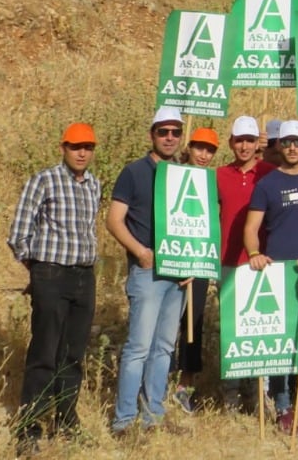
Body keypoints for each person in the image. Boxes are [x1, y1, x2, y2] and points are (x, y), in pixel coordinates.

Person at [8, 122, 101, 448]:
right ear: (63, 147)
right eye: (76, 146)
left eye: (87, 147)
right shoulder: (44, 180)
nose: (82, 152)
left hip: (84, 276)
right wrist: (38, 269)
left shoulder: (94, 185)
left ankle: (66, 422)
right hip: (51, 274)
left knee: (73, 355)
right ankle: (28, 429)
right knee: (44, 352)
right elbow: (19, 232)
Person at [245, 119, 298, 432]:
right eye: (287, 142)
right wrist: (255, 254)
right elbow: (251, 229)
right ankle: (283, 405)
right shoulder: (267, 185)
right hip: (279, 274)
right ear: (279, 146)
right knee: (283, 343)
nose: (293, 147)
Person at [106, 107, 189, 435]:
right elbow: (114, 220)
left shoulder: (183, 173)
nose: (169, 137)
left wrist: (191, 263)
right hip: (147, 273)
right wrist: (140, 252)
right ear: (152, 134)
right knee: (138, 348)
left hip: (177, 275)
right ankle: (124, 421)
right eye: (163, 132)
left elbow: (191, 224)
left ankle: (153, 415)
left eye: (175, 132)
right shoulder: (133, 172)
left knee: (164, 348)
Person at [215, 115, 266, 413]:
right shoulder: (219, 175)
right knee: (231, 331)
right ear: (231, 142)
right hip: (228, 262)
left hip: (260, 261)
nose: (244, 146)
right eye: (239, 140)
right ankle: (231, 395)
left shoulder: (269, 173)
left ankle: (257, 393)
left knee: (259, 330)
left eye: (250, 140)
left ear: (257, 143)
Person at [171, 126, 220, 413]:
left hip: (200, 259)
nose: (204, 154)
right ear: (189, 147)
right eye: (200, 148)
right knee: (164, 328)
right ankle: (155, 385)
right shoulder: (171, 174)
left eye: (210, 150)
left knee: (194, 324)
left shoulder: (213, 180)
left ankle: (184, 387)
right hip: (172, 258)